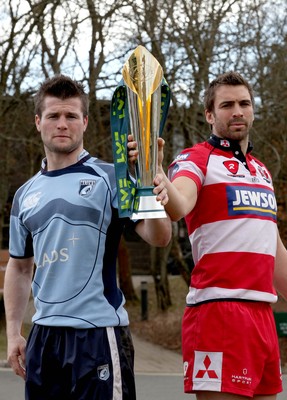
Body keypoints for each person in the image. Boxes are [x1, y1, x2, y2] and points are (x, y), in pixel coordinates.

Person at [3, 74, 172, 400]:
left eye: (71, 116)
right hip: (44, 338)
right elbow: (20, 267)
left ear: (85, 122)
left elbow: (160, 237)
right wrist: (13, 334)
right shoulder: (25, 195)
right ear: (38, 122)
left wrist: (150, 184)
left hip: (98, 336)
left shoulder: (112, 178)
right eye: (53, 116)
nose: (62, 124)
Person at [130, 71, 287, 399]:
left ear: (253, 110)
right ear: (210, 115)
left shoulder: (262, 172)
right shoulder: (195, 158)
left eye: (244, 103)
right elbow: (179, 205)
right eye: (227, 104)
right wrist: (156, 171)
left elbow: (275, 253)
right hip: (219, 313)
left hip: (262, 316)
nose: (238, 111)